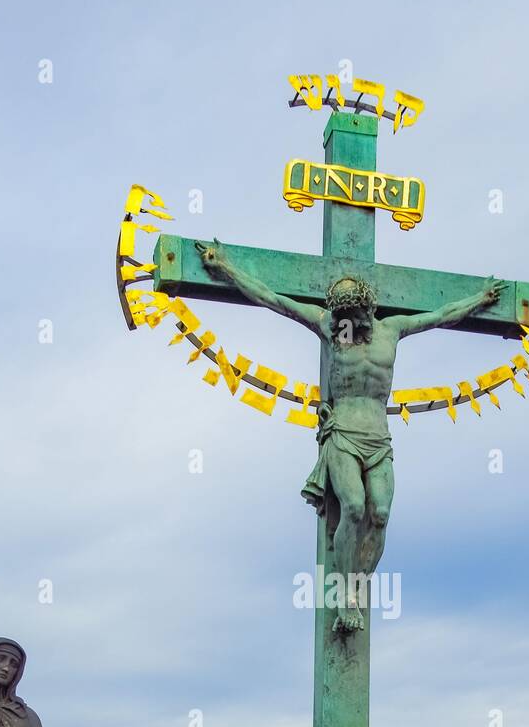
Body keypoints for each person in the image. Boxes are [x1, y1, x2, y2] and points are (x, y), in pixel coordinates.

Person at [197, 239, 504, 632]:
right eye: (341, 315)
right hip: (342, 433)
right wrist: (224, 267)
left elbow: (443, 314)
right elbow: (272, 298)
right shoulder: (329, 326)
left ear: (367, 308)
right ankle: (345, 596)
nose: (345, 323)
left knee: (381, 514)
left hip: (379, 438)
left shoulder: (393, 330)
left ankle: (358, 586)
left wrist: (479, 299)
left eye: (352, 314)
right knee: (354, 507)